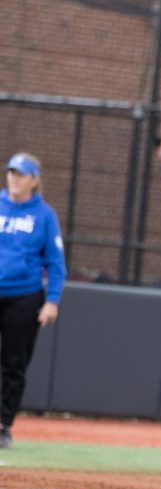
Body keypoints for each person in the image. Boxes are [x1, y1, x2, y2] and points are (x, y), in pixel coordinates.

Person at [0, 152, 66, 449]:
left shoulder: (44, 215)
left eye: (21, 174)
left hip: (24, 298)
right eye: (11, 172)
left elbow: (55, 262)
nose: (14, 179)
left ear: (34, 180)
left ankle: (3, 425)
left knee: (13, 364)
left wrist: (52, 300)